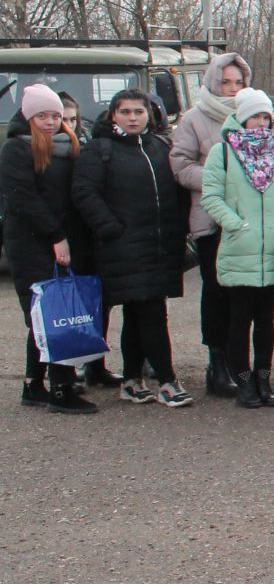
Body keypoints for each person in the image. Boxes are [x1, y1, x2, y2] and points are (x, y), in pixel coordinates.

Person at [71, 90, 193, 408]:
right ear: (114, 115)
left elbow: (176, 191)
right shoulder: (100, 149)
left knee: (139, 313)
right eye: (125, 112)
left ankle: (131, 380)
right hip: (122, 246)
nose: (133, 117)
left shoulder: (159, 146)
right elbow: (84, 192)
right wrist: (110, 228)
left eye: (139, 111)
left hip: (159, 245)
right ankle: (167, 380)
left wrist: (179, 228)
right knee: (151, 311)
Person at [200, 87, 274, 409]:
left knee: (267, 320)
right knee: (239, 320)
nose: (260, 122)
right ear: (241, 118)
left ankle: (264, 378)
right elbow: (211, 196)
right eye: (255, 116)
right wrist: (236, 223)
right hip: (238, 248)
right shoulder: (224, 152)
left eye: (265, 116)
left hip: (273, 250)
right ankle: (243, 381)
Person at [2, 83, 95, 414]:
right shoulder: (16, 149)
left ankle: (33, 384)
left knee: (54, 312)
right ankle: (61, 388)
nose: (51, 122)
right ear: (29, 116)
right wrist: (56, 236)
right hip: (33, 242)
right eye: (43, 116)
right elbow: (23, 198)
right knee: (49, 314)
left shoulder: (69, 144)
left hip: (63, 239)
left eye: (56, 115)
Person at [168, 50, 252, 399]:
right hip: (211, 220)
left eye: (238, 83)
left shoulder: (253, 114)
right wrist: (220, 179)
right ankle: (216, 363)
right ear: (212, 82)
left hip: (247, 220)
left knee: (243, 294)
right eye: (225, 82)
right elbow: (180, 164)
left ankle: (239, 362)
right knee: (216, 293)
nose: (231, 89)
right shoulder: (195, 118)